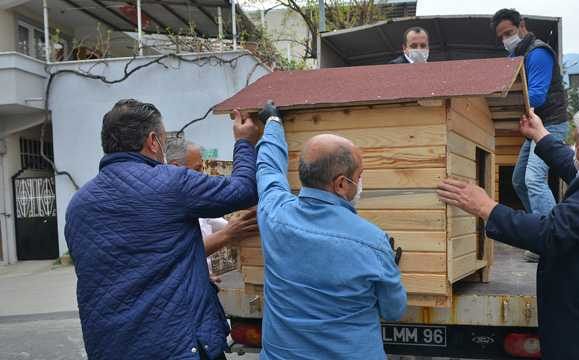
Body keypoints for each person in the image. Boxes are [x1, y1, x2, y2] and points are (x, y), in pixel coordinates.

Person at [437, 101, 579, 360]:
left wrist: (486, 207)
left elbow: (551, 232)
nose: (572, 142)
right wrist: (540, 136)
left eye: (575, 137)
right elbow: (574, 167)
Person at [65, 99, 261, 360]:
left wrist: (195, 276)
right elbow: (244, 190)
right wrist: (245, 142)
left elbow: (130, 264)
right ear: (153, 141)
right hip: (177, 348)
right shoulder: (171, 182)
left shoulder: (78, 204)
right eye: (164, 141)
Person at [254, 101, 406, 359]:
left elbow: (268, 169)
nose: (360, 183)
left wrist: (273, 123)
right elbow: (393, 311)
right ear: (340, 184)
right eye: (358, 176)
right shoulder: (373, 241)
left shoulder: (273, 214)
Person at [492, 9, 569, 220]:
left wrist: (502, 101)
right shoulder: (516, 56)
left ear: (522, 25)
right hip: (536, 126)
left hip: (551, 125)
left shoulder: (538, 53)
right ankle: (539, 225)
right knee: (519, 181)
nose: (506, 40)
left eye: (509, 33)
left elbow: (537, 96)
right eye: (502, 37)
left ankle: (554, 234)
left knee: (534, 179)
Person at [165, 137, 260, 283]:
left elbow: (232, 227)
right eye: (197, 169)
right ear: (175, 168)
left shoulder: (197, 202)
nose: (203, 175)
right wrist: (227, 234)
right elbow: (180, 254)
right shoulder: (165, 204)